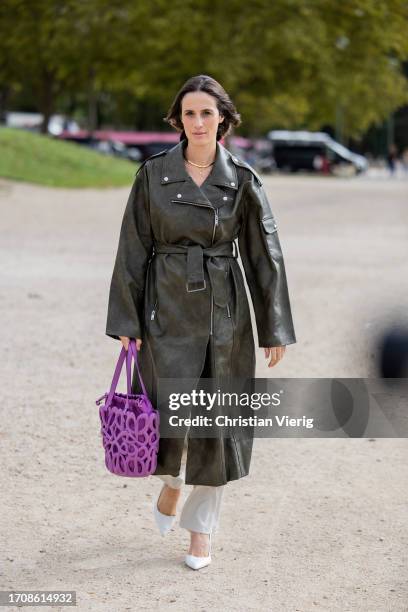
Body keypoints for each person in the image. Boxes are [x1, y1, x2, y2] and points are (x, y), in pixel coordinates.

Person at [105, 74, 296, 570]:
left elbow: (264, 256)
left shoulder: (244, 180)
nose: (197, 122)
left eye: (206, 113)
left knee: (216, 424)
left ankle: (201, 531)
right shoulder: (151, 175)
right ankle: (171, 484)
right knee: (169, 416)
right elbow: (132, 248)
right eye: (189, 113)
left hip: (222, 312)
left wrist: (273, 326)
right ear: (178, 120)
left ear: (224, 120)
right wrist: (127, 317)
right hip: (163, 306)